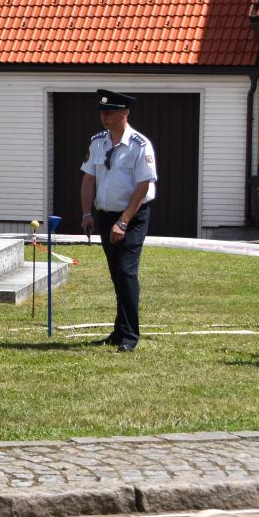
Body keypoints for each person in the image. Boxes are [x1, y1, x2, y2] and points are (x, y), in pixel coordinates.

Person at [80, 89, 157, 352]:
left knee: (126, 271)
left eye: (109, 112)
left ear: (124, 113)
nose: (104, 117)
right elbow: (88, 178)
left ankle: (130, 335)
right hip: (105, 215)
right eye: (102, 112)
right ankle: (119, 331)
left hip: (132, 216)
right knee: (117, 274)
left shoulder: (139, 144)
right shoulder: (97, 142)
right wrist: (87, 213)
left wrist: (123, 222)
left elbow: (143, 186)